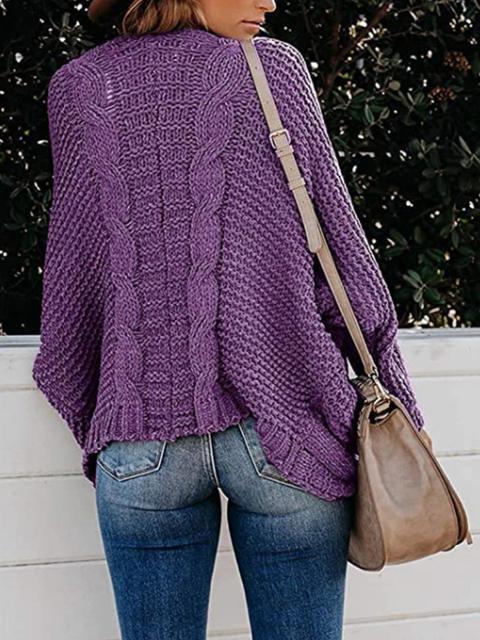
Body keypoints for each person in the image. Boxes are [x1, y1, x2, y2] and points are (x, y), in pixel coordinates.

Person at [32, 1, 426, 638]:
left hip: (140, 441)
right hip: (283, 429)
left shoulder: (79, 87)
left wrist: (108, 403)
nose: (268, 1)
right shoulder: (273, 72)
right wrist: (396, 395)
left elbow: (72, 280)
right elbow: (342, 254)